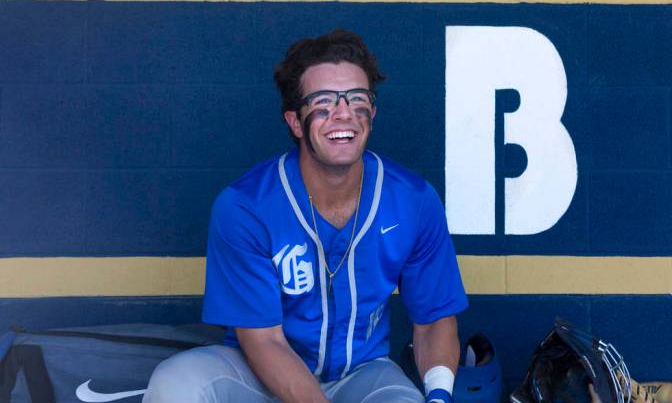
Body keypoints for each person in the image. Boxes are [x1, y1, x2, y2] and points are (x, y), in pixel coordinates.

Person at [143, 29, 468, 403]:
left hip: (360, 375)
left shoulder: (413, 199)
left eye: (356, 99)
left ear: (372, 113)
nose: (343, 113)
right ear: (295, 122)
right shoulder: (245, 206)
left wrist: (440, 395)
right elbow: (263, 340)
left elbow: (433, 319)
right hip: (258, 374)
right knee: (178, 382)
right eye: (323, 102)